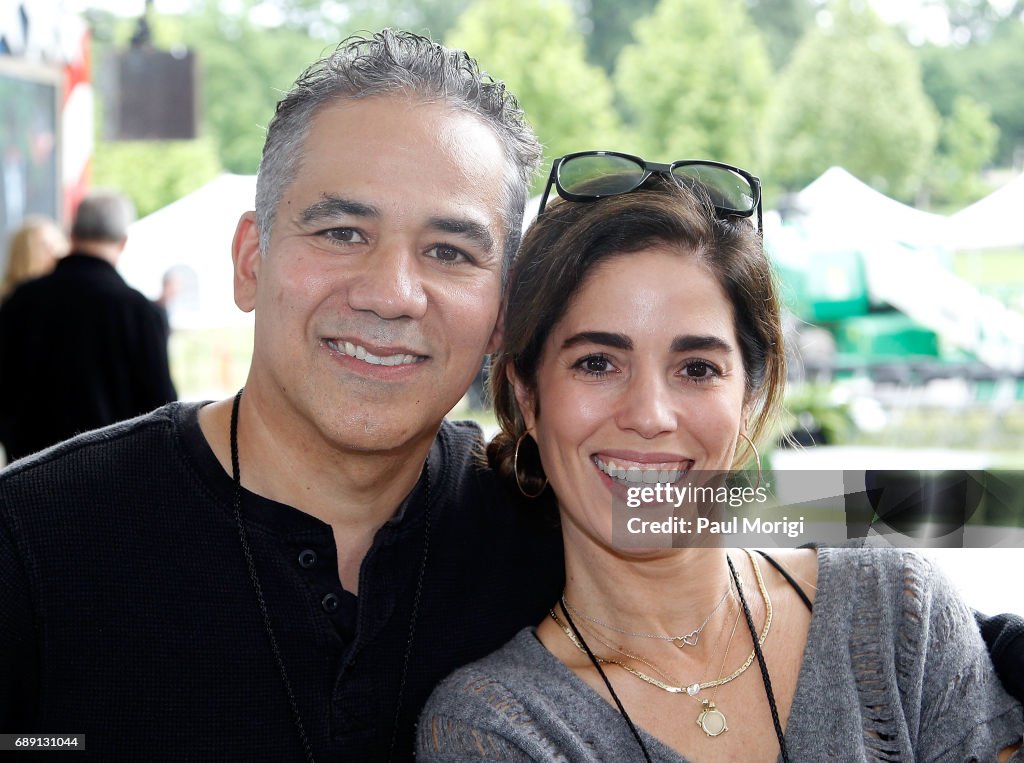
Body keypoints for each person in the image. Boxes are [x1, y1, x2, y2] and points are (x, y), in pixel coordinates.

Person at [0, 30, 562, 761]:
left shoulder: (560, 514)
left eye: (450, 252)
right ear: (249, 261)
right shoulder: (32, 538)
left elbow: (740, 509)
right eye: (341, 231)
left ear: (502, 310)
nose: (392, 294)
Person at [417, 156, 1024, 761]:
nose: (650, 414)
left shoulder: (896, 614)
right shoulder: (498, 728)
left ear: (750, 395)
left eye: (697, 368)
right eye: (597, 363)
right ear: (528, 394)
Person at [0, 191, 176, 462]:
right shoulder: (139, 312)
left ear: (73, 235)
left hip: (25, 481)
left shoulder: (21, 301)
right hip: (112, 482)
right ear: (123, 242)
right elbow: (162, 411)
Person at [0, 215, 68, 302]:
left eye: (56, 244)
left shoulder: (63, 291)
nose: (54, 252)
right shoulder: (11, 296)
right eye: (44, 246)